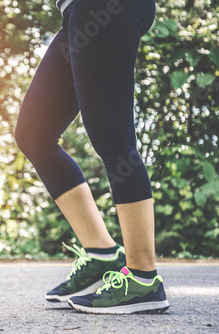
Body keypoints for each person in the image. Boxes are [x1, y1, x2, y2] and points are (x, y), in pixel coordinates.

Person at [15, 0, 170, 314]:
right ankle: (101, 254)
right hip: (76, 11)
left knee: (113, 139)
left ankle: (143, 278)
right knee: (33, 134)